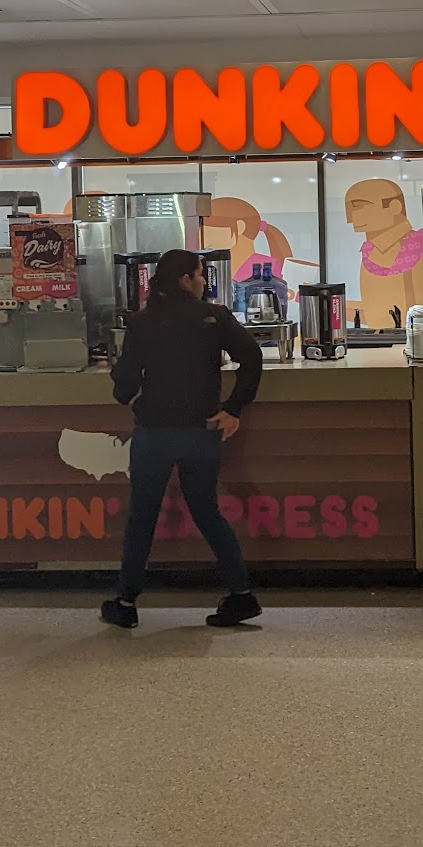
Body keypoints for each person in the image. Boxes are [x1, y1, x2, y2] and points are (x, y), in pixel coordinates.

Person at [103, 248, 265, 629]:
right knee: (207, 512)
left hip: (154, 435)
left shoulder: (142, 323)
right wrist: (233, 409)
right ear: (185, 280)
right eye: (199, 274)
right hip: (201, 432)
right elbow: (252, 357)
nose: (203, 281)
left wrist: (131, 396)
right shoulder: (213, 317)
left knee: (142, 517)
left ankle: (125, 603)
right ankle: (242, 595)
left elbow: (124, 381)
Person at [343, 179, 423, 328]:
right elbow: (375, 311)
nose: (353, 217)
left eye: (361, 206)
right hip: (381, 337)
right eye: (350, 209)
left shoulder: (415, 246)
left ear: (394, 207)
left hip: (411, 336)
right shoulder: (371, 252)